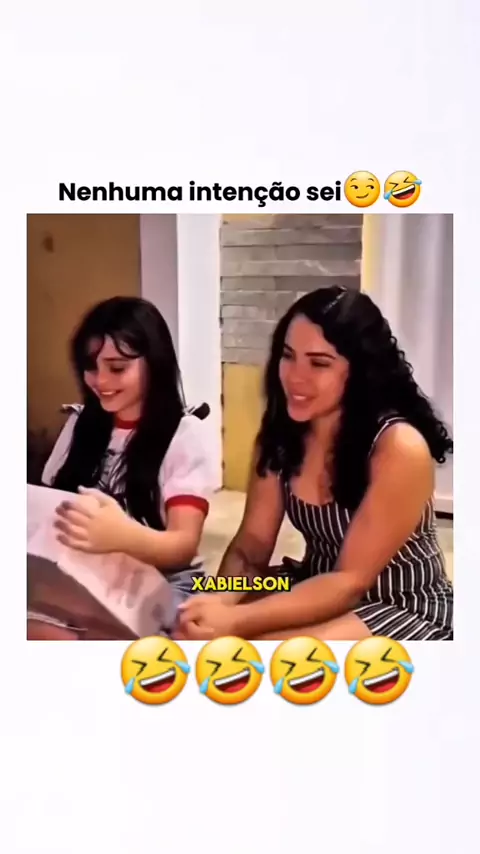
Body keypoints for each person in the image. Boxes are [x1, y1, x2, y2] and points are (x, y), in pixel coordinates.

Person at [177, 285, 454, 642]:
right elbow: (250, 550)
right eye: (288, 356)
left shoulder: (399, 447)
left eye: (319, 363)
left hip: (397, 603)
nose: (295, 376)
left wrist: (234, 621)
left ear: (360, 370)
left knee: (260, 653)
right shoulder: (280, 436)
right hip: (313, 583)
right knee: (192, 616)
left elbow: (349, 582)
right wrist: (219, 603)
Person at [28, 296, 213, 640]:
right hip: (82, 573)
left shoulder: (184, 434)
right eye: (90, 366)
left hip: (163, 582)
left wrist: (120, 536)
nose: (100, 380)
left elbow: (183, 546)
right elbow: (50, 509)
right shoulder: (80, 424)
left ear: (154, 364)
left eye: (117, 368)